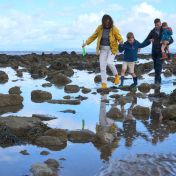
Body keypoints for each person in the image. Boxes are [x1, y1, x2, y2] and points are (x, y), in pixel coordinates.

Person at [82, 14, 123, 89]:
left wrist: (121, 41)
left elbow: (119, 38)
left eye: (108, 23)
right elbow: (93, 36)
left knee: (109, 62)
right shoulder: (99, 28)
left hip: (112, 49)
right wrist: (86, 43)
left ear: (110, 22)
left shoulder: (114, 28)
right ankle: (104, 84)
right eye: (106, 23)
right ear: (103, 22)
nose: (107, 24)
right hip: (103, 49)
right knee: (102, 67)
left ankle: (116, 76)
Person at [144, 18, 173, 85]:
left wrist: (166, 43)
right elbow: (146, 40)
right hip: (154, 52)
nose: (158, 26)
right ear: (155, 24)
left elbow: (171, 40)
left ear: (160, 23)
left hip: (161, 52)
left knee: (158, 66)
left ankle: (157, 82)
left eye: (159, 24)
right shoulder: (152, 31)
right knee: (155, 67)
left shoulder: (165, 30)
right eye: (156, 25)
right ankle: (157, 81)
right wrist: (139, 46)